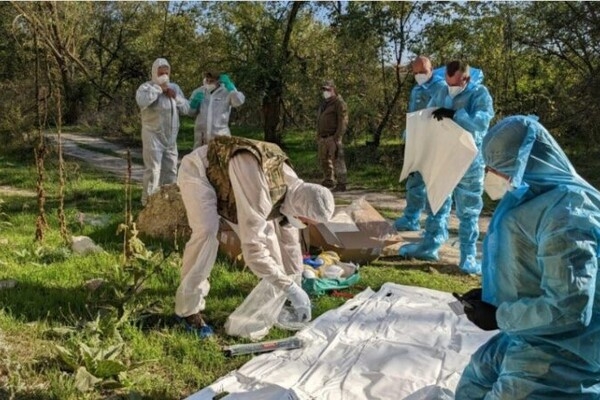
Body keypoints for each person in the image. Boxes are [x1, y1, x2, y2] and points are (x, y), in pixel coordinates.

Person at [455, 115, 600, 399]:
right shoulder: (530, 196)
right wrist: (494, 296)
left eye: (497, 167)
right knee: (477, 375)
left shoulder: (567, 214)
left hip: (570, 348)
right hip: (533, 331)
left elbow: (569, 307)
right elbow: (526, 265)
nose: (490, 174)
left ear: (526, 161)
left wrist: (499, 316)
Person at [175, 135, 335, 336]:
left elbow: (289, 242)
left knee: (272, 251)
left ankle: (274, 306)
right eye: (307, 221)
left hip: (234, 185)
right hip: (200, 172)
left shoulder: (296, 191)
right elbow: (253, 250)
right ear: (301, 211)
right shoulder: (261, 195)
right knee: (206, 233)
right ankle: (188, 310)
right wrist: (290, 288)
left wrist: (296, 283)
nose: (305, 225)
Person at [399, 60, 494, 274]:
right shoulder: (442, 91)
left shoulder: (479, 94)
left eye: (455, 84)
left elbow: (481, 122)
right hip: (442, 156)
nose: (451, 88)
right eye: (448, 83)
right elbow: (428, 114)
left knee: (468, 210)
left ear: (466, 79)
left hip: (467, 161)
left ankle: (468, 256)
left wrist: (456, 115)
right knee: (436, 202)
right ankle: (430, 245)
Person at [394, 55, 446, 232]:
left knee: (434, 183)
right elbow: (413, 112)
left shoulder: (440, 87)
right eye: (416, 72)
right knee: (414, 180)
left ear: (431, 69)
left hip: (434, 141)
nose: (419, 76)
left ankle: (435, 225)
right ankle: (411, 218)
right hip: (416, 141)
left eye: (423, 71)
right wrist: (409, 131)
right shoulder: (416, 89)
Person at [136, 58, 189, 206]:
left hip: (171, 138)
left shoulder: (175, 87)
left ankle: (168, 204)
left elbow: (187, 109)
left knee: (171, 170)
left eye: (166, 73)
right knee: (153, 170)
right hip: (152, 135)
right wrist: (159, 89)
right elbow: (142, 101)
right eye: (161, 73)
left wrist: (175, 97)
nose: (164, 76)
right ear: (154, 73)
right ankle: (148, 203)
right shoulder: (146, 87)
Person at [187, 71, 245, 149]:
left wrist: (231, 87)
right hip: (201, 137)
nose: (208, 83)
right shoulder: (199, 92)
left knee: (221, 156)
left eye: (211, 81)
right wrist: (193, 104)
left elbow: (239, 101)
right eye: (207, 80)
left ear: (218, 81)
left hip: (221, 136)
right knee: (200, 156)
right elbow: (190, 113)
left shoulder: (226, 92)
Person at [317, 80, 348, 192]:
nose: (325, 91)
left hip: (333, 137)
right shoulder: (324, 104)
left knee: (337, 160)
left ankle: (341, 183)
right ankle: (329, 180)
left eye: (328, 89)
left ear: (333, 89)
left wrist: (337, 137)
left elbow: (343, 121)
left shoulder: (339, 103)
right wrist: (318, 135)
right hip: (323, 137)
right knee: (324, 160)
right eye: (324, 89)